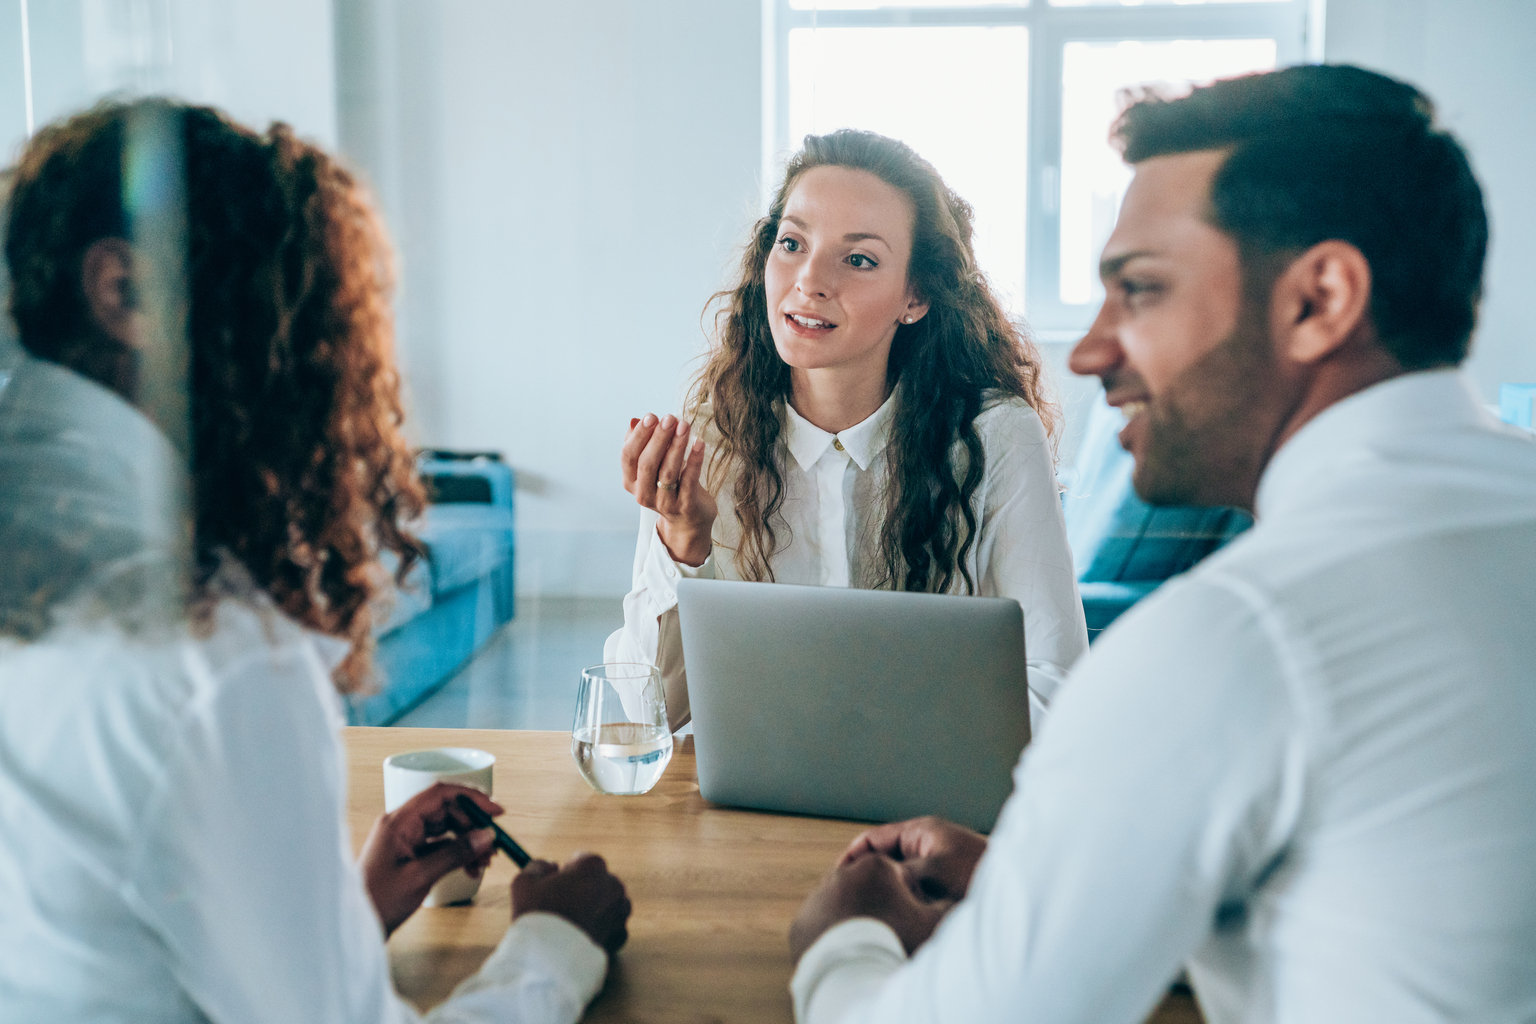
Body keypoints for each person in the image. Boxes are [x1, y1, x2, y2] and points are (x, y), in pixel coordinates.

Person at [786, 65, 1536, 1023]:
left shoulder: (1232, 639)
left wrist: (842, 945)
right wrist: (1059, 880)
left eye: (1139, 290)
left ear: (1321, 300)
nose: (1092, 351)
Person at [0, 99, 630, 1023]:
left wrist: (341, 910)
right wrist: (553, 944)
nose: (318, 368)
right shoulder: (211, 651)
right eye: (291, 317)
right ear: (125, 293)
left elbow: (104, 931)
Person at [606, 130, 1087, 732]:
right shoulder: (713, 433)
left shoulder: (994, 436)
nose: (809, 279)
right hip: (752, 813)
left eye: (858, 259)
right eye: (792, 243)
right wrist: (682, 541)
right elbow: (647, 712)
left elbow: (1056, 684)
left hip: (927, 812)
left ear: (914, 296)